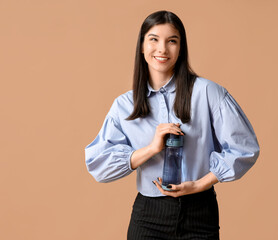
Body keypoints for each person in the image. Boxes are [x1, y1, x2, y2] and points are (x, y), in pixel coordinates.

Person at [85, 10, 259, 240]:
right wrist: (152, 149)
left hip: (200, 213)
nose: (162, 49)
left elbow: (244, 148)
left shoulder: (208, 92)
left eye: (172, 41)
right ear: (142, 46)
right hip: (148, 217)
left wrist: (198, 185)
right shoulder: (125, 105)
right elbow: (98, 165)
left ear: (181, 48)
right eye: (154, 39)